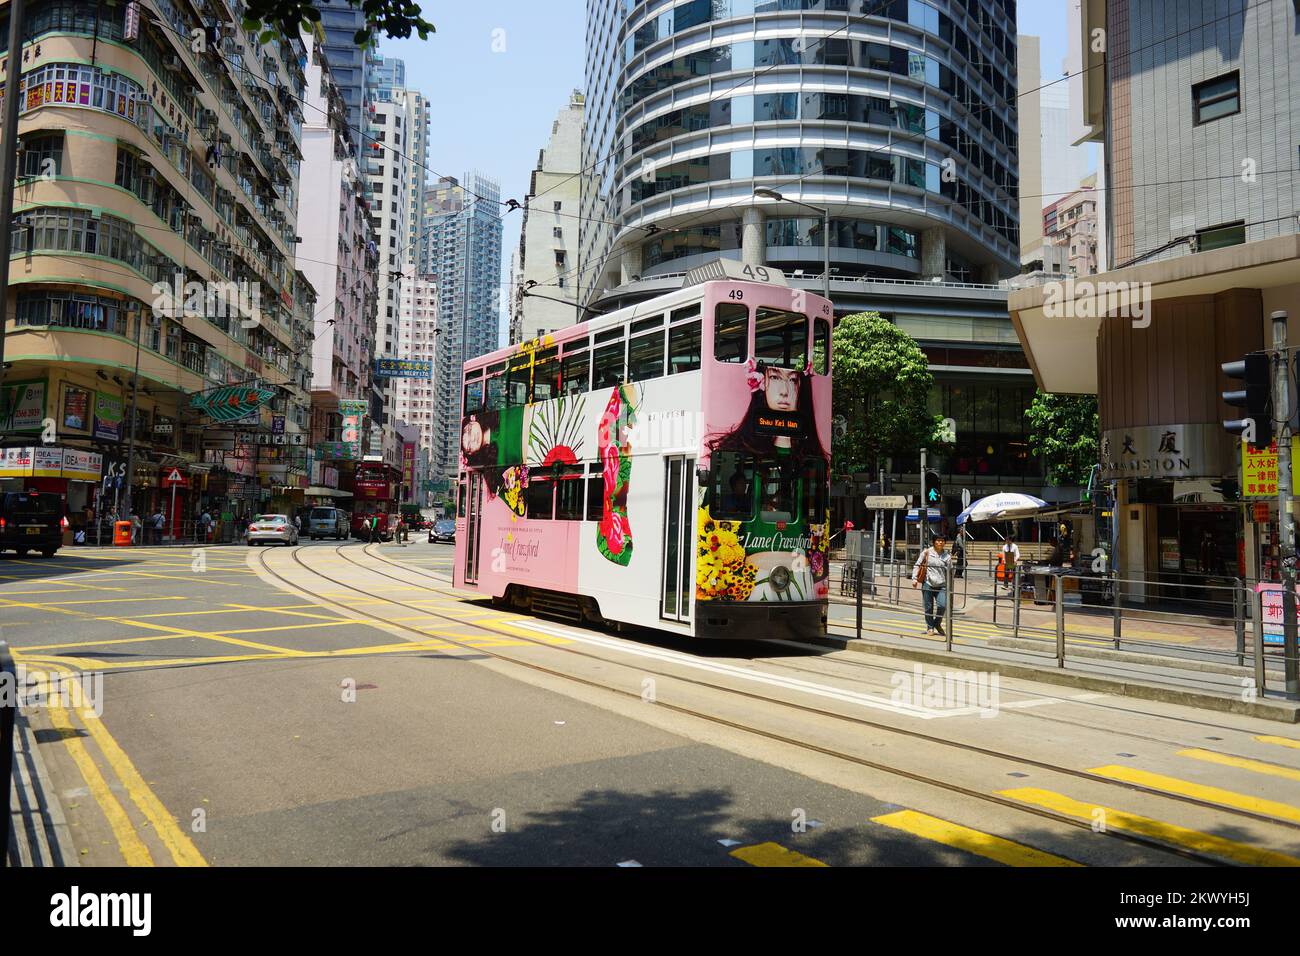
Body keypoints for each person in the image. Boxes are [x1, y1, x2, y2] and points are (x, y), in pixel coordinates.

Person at [912, 535, 953, 636]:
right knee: (928, 607)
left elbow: (950, 571)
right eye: (938, 541)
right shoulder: (927, 552)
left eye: (942, 541)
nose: (940, 543)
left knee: (943, 605)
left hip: (942, 584)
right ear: (934, 542)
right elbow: (917, 564)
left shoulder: (947, 556)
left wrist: (950, 585)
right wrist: (914, 579)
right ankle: (930, 627)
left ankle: (937, 623)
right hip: (928, 583)